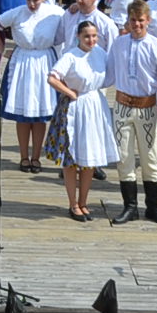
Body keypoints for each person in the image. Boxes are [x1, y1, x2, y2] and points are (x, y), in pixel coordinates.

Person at [104, 0, 157, 226]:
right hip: (123, 106)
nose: (137, 25)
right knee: (124, 156)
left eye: (141, 21)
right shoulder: (119, 44)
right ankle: (130, 206)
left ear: (149, 21)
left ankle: (153, 207)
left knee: (150, 157)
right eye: (133, 20)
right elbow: (109, 74)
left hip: (147, 108)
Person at [51, 20, 114, 221]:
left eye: (94, 36)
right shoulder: (70, 55)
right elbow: (52, 77)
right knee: (72, 159)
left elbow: (111, 75)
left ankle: (84, 202)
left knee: (90, 157)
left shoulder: (101, 53)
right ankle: (73, 204)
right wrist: (69, 92)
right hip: (74, 107)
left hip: (94, 104)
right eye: (87, 36)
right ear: (79, 36)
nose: (91, 40)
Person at [0, 0, 61, 172]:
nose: (32, 4)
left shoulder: (55, 13)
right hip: (22, 60)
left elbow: (71, 24)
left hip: (44, 60)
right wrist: (2, 51)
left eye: (36, 0)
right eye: (29, 0)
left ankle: (36, 157)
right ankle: (24, 156)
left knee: (39, 113)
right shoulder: (18, 12)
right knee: (23, 113)